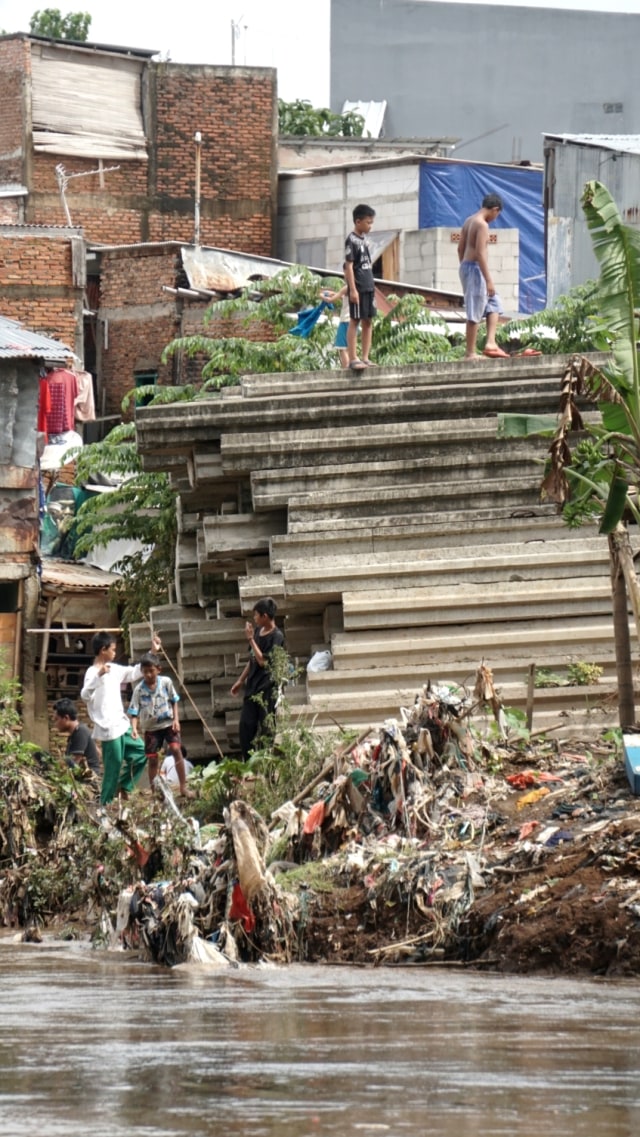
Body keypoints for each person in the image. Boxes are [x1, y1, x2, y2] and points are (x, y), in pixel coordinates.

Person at [81, 630, 160, 806]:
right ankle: (105, 804)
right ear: (103, 650)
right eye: (113, 649)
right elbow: (84, 695)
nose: (115, 653)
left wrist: (152, 652)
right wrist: (98, 676)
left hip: (122, 725)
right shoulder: (91, 672)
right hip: (108, 728)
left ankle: (123, 786)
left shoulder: (115, 669)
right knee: (113, 765)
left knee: (143, 752)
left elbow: (135, 672)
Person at [128, 652, 195, 798]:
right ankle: (155, 794)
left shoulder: (166, 682)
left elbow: (174, 701)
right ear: (142, 672)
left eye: (151, 671)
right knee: (152, 760)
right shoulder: (138, 690)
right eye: (145, 672)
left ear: (158, 669)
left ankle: (183, 787)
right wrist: (134, 728)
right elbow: (134, 712)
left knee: (176, 750)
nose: (149, 675)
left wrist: (176, 720)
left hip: (168, 723)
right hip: (151, 729)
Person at [230, 596, 285, 760]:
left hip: (267, 688)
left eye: (256, 615)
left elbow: (263, 661)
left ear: (265, 616)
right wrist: (240, 680)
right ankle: (248, 764)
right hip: (252, 686)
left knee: (268, 728)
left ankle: (268, 765)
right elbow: (253, 659)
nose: (254, 619)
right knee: (245, 727)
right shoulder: (257, 632)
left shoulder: (277, 637)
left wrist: (250, 639)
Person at [458, 193, 508, 361]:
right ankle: (470, 353)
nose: (496, 218)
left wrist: (463, 267)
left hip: (467, 267)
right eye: (497, 214)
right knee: (475, 309)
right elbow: (480, 253)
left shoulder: (469, 220)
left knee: (494, 303)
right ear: (495, 210)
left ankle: (491, 342)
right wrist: (488, 280)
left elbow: (460, 248)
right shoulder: (482, 225)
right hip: (475, 269)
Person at [344, 203, 376, 372]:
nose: (370, 226)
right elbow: (349, 266)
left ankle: (365, 356)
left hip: (369, 285)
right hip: (358, 286)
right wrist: (353, 289)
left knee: (368, 320)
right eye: (368, 222)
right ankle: (353, 357)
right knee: (355, 320)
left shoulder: (364, 240)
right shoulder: (352, 240)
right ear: (358, 222)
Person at [52, 697, 100, 777]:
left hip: (88, 779)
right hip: (84, 776)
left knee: (67, 760)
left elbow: (74, 763)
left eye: (56, 719)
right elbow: (98, 752)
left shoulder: (80, 731)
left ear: (66, 718)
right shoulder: (78, 731)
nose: (55, 724)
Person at [322, 284, 350, 369]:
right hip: (354, 321)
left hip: (345, 320)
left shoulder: (347, 287)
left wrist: (321, 296)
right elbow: (343, 297)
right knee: (349, 347)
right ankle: (349, 366)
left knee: (342, 348)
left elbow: (330, 300)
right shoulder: (358, 287)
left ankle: (346, 368)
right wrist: (334, 293)